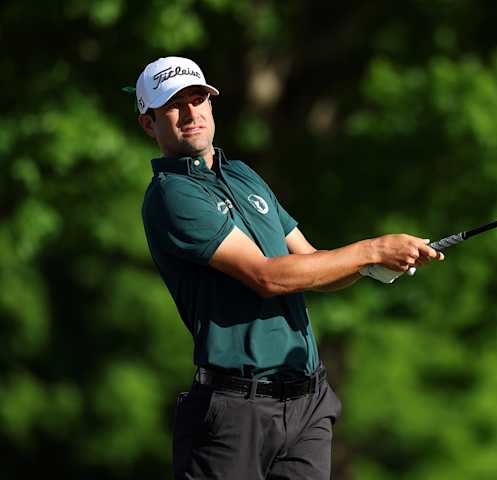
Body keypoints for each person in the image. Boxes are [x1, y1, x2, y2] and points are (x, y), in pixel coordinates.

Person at [135, 56, 443, 480]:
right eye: (173, 105)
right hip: (235, 414)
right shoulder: (172, 196)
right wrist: (371, 250)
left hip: (307, 403)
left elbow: (308, 261)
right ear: (149, 124)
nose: (191, 113)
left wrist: (374, 266)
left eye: (198, 99)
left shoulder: (242, 174)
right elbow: (268, 276)